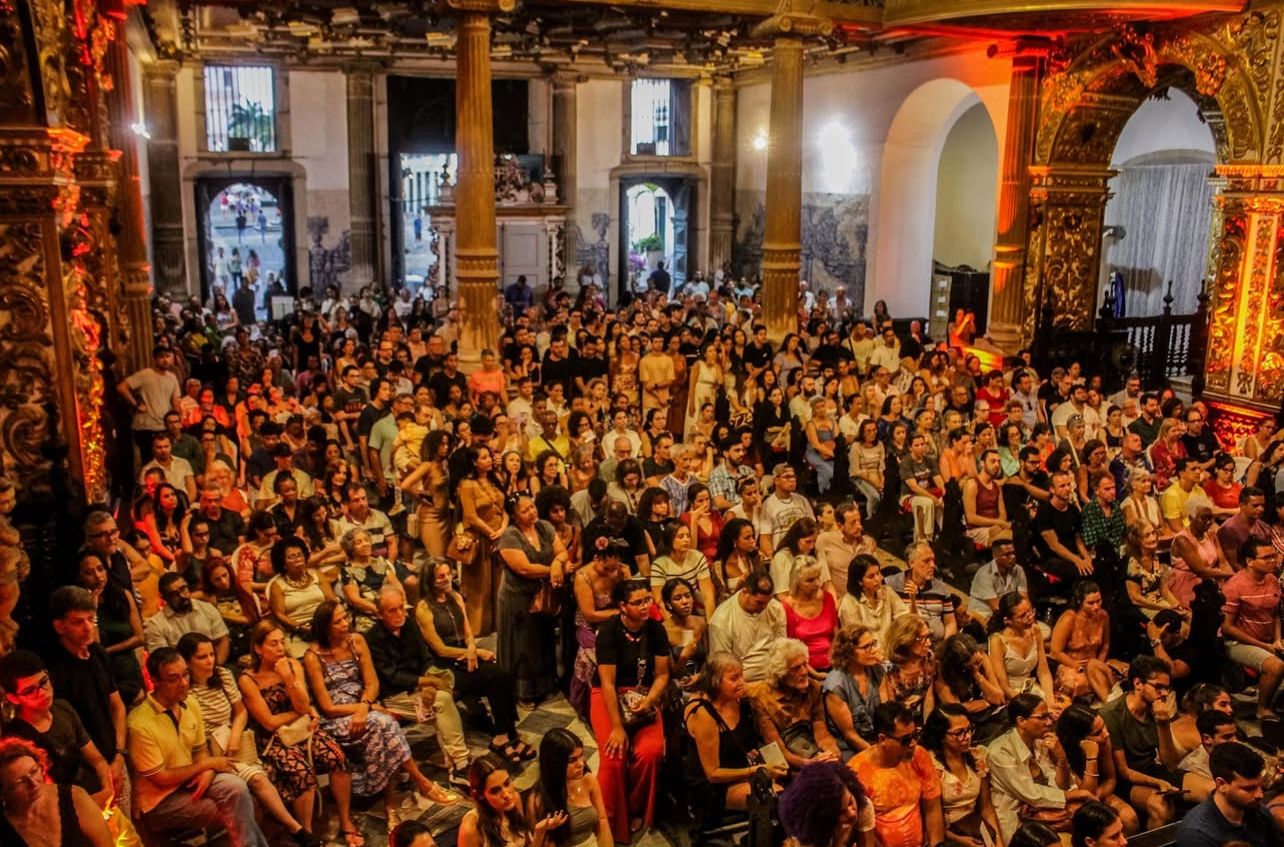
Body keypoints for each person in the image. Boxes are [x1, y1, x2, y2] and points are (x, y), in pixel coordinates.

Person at [302, 601, 454, 828]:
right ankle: (419, 783)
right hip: (337, 718)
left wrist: (365, 707)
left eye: (346, 618)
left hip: (365, 710)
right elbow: (327, 707)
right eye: (338, 621)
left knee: (381, 729)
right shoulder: (313, 656)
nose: (346, 624)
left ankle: (391, 804)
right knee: (384, 723)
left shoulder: (357, 641)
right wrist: (368, 709)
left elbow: (372, 683)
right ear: (325, 627)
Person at [175, 633, 320, 846]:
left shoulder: (223, 676)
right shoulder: (184, 690)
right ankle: (296, 829)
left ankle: (296, 830)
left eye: (212, 654)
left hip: (233, 742)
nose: (210, 661)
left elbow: (240, 711)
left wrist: (234, 736)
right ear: (187, 661)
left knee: (282, 772)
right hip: (205, 750)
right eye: (202, 657)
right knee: (258, 779)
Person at [127, 647, 272, 847]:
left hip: (189, 782)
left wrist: (208, 772)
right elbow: (162, 778)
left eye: (185, 674)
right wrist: (207, 765)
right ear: (155, 681)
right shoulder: (140, 722)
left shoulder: (190, 703)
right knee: (241, 808)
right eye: (173, 679)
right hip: (160, 800)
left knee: (238, 788)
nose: (183, 683)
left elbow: (199, 751)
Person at [238, 621, 361, 846]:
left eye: (282, 642)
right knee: (301, 772)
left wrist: (288, 680)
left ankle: (345, 819)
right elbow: (268, 722)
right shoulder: (248, 679)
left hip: (303, 730)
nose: (280, 648)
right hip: (274, 739)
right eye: (273, 644)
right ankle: (307, 833)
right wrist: (300, 711)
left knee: (337, 757)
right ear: (258, 648)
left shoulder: (293, 665)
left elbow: (304, 704)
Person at [406, 566, 531, 767]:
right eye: (441, 576)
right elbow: (440, 649)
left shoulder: (455, 597)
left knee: (502, 674)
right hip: (442, 666)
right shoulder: (424, 608)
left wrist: (472, 648)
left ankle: (505, 734)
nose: (447, 579)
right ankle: (507, 735)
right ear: (430, 581)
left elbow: (468, 632)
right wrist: (472, 653)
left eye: (448, 574)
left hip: (465, 655)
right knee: (492, 678)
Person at [590, 578, 670, 841]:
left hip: (644, 694)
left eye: (648, 600)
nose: (646, 606)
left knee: (650, 752)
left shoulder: (656, 631)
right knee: (614, 758)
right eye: (638, 602)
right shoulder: (609, 632)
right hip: (609, 694)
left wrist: (650, 701)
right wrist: (616, 727)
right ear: (623, 607)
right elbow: (608, 682)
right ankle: (609, 820)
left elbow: (661, 675)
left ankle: (636, 809)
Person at [682, 652, 780, 827]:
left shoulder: (738, 699)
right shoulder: (704, 714)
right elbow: (713, 774)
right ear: (715, 682)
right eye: (734, 678)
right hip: (712, 786)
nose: (741, 682)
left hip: (743, 768)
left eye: (742, 675)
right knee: (776, 799)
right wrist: (759, 770)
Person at [987, 693, 1096, 844]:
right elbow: (1030, 794)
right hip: (1017, 820)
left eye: (1049, 716)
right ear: (1021, 721)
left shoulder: (1040, 741)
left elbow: (1059, 786)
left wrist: (1061, 759)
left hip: (1045, 813)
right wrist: (1076, 795)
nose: (1049, 722)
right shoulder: (1000, 752)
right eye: (1042, 717)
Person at [496, 494, 568, 706]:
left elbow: (562, 553)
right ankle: (523, 693)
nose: (532, 512)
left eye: (533, 507)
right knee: (523, 645)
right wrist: (553, 570)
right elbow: (524, 568)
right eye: (525, 510)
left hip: (543, 594)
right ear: (515, 516)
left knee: (543, 640)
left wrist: (557, 565)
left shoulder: (544, 527)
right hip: (518, 597)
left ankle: (544, 686)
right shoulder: (510, 536)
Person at [1098, 655, 1181, 829]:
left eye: (1167, 688)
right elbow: (1124, 771)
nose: (1164, 694)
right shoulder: (1112, 714)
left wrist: (1163, 724)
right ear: (1138, 684)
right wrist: (1157, 783)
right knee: (1161, 809)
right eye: (1158, 687)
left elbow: (1171, 763)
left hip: (1151, 769)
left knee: (1205, 789)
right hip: (1125, 779)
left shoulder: (1158, 711)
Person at [848, 701, 945, 847]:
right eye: (905, 740)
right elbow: (863, 831)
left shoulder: (920, 756)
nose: (912, 744)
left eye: (915, 735)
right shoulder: (856, 770)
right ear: (882, 739)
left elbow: (933, 809)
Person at [0, 737, 113, 847]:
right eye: (21, 781)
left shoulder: (74, 798)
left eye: (34, 771)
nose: (34, 784)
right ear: (4, 792)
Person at [1221, 538, 1284, 721]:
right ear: (1250, 561)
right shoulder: (1234, 586)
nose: (1273, 561)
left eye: (1273, 556)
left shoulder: (1272, 580)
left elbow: (1275, 614)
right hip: (1238, 642)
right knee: (1275, 665)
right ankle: (1262, 709)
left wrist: (1277, 639)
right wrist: (1265, 647)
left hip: (1268, 640)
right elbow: (1227, 626)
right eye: (1267, 558)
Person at [920, 704, 1001, 847]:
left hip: (975, 827)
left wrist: (998, 840)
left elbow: (986, 807)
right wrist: (959, 840)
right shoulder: (932, 765)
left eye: (969, 730)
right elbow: (930, 818)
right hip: (946, 834)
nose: (967, 737)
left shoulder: (977, 756)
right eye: (959, 733)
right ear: (942, 736)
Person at [1175, 742, 1283, 847]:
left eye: (1260, 787)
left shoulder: (1259, 812)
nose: (1260, 795)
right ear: (1221, 784)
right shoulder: (1196, 834)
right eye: (1249, 789)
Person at [1055, 703, 1139, 833]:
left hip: (1096, 794)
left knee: (1129, 818)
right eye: (1097, 732)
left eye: (1104, 726)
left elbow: (1110, 779)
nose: (1106, 734)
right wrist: (1091, 757)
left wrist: (1096, 796)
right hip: (1070, 799)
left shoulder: (1104, 740)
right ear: (1079, 739)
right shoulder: (1061, 750)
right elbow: (1082, 794)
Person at [526, 728, 613, 847]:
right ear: (555, 763)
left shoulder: (587, 779)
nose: (581, 764)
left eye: (581, 756)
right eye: (572, 760)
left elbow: (602, 822)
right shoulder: (539, 800)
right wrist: (541, 831)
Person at [458, 755, 566, 847]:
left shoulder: (515, 800)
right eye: (495, 791)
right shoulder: (471, 829)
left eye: (507, 783)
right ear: (480, 795)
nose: (506, 794)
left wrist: (539, 831)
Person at [709, 569, 787, 682]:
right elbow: (722, 666)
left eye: (768, 602)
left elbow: (781, 648)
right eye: (759, 602)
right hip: (742, 682)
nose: (765, 607)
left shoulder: (776, 608)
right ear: (745, 591)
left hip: (773, 677)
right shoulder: (722, 619)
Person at [777, 760, 876, 847]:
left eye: (850, 802)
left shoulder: (863, 806)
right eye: (841, 812)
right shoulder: (811, 832)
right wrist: (839, 839)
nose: (852, 813)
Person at [824, 625, 887, 759]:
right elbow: (850, 735)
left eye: (873, 644)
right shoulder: (836, 685)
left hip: (879, 740)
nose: (873, 651)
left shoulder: (877, 670)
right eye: (866, 647)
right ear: (849, 651)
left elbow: (888, 713)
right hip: (852, 748)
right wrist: (877, 755)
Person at [1050, 580, 1114, 703]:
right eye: (1091, 603)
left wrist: (1098, 664)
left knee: (1115, 675)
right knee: (1078, 683)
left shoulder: (1103, 616)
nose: (1096, 606)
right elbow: (1056, 651)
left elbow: (1105, 645)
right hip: (1071, 664)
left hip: (1093, 663)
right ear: (1080, 601)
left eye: (1098, 601)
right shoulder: (1069, 618)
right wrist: (1079, 668)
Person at [144, 571, 231, 663]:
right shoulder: (156, 625)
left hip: (212, 666)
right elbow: (162, 661)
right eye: (174, 594)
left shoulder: (207, 609)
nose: (182, 596)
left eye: (183, 589)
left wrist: (216, 667)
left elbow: (222, 640)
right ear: (165, 598)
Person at [988, 592, 1056, 701]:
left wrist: (1050, 700)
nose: (1030, 617)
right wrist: (1028, 706)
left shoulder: (1035, 631)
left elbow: (1043, 672)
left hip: (1030, 689)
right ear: (1008, 620)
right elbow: (1003, 686)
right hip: (1011, 697)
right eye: (1022, 616)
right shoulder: (997, 641)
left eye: (1030, 611)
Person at [1178, 708, 1241, 804]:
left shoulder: (1234, 751)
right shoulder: (1192, 768)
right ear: (1207, 739)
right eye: (1227, 737)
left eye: (1235, 735)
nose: (1235, 740)